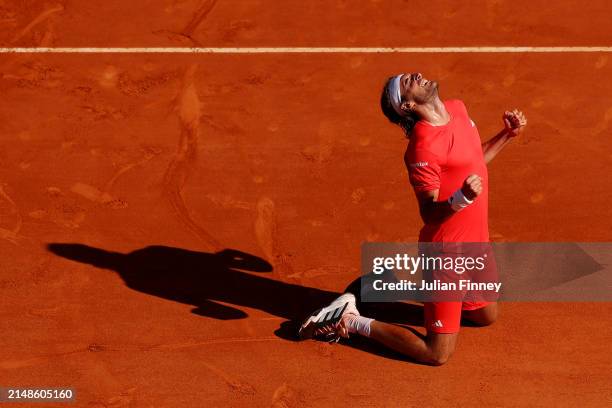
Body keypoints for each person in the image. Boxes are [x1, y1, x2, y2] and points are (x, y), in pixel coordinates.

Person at [299, 72, 527, 365]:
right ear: (405, 106)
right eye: (408, 82)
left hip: (476, 241)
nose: (417, 75)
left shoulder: (457, 108)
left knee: (485, 315)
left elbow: (473, 160)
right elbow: (429, 213)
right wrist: (462, 199)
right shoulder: (422, 147)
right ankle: (352, 320)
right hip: (447, 252)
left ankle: (385, 284)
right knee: (436, 353)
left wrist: (506, 136)